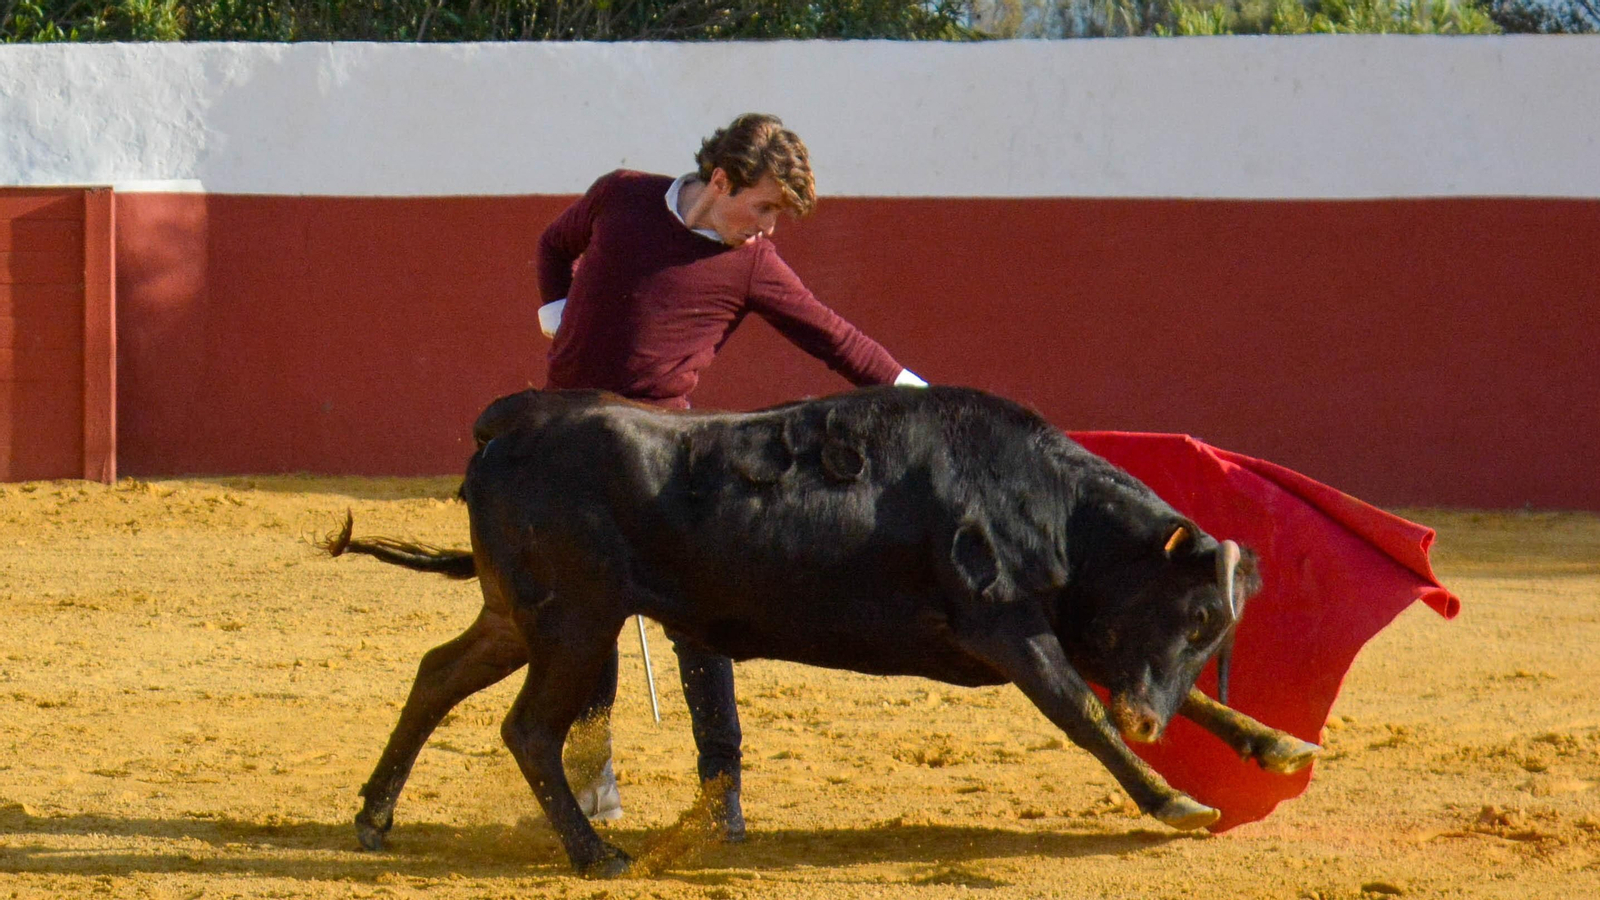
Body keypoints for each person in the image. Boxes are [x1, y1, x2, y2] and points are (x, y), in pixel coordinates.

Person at [535, 113, 925, 840]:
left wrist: (930, 402)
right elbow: (555, 244)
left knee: (702, 625)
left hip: (661, 457)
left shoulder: (753, 264)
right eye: (763, 207)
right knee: (583, 623)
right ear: (719, 181)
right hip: (569, 448)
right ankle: (590, 776)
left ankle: (722, 794)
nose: (769, 228)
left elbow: (835, 339)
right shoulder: (621, 196)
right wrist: (554, 311)